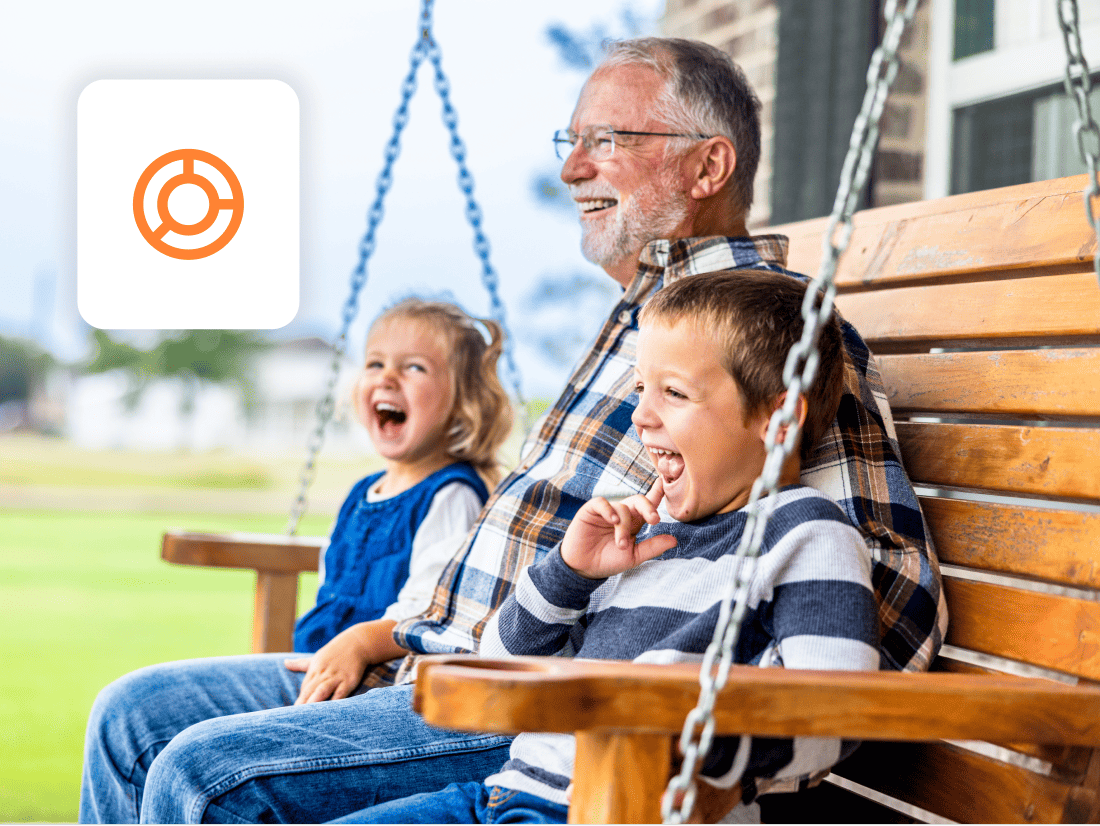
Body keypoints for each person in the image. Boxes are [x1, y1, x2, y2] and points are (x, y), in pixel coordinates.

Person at [81, 37, 946, 824]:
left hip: (535, 704)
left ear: (707, 165)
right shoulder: (647, 325)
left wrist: (677, 713)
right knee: (129, 717)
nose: (573, 169)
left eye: (607, 141)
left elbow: (885, 597)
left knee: (204, 775)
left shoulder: (763, 339)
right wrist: (392, 630)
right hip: (433, 654)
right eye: (569, 142)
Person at [329, 269, 881, 824]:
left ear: (778, 420)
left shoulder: (807, 534)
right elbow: (498, 663)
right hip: (504, 793)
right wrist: (568, 573)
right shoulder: (642, 534)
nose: (640, 415)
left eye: (674, 392)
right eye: (642, 389)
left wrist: (703, 760)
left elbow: (837, 711)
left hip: (615, 806)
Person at [79, 298, 512, 820]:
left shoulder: (451, 496)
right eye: (375, 363)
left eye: (414, 367)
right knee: (126, 710)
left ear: (464, 400)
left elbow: (431, 611)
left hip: (373, 684)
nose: (387, 378)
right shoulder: (363, 492)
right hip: (318, 670)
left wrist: (360, 641)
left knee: (188, 755)